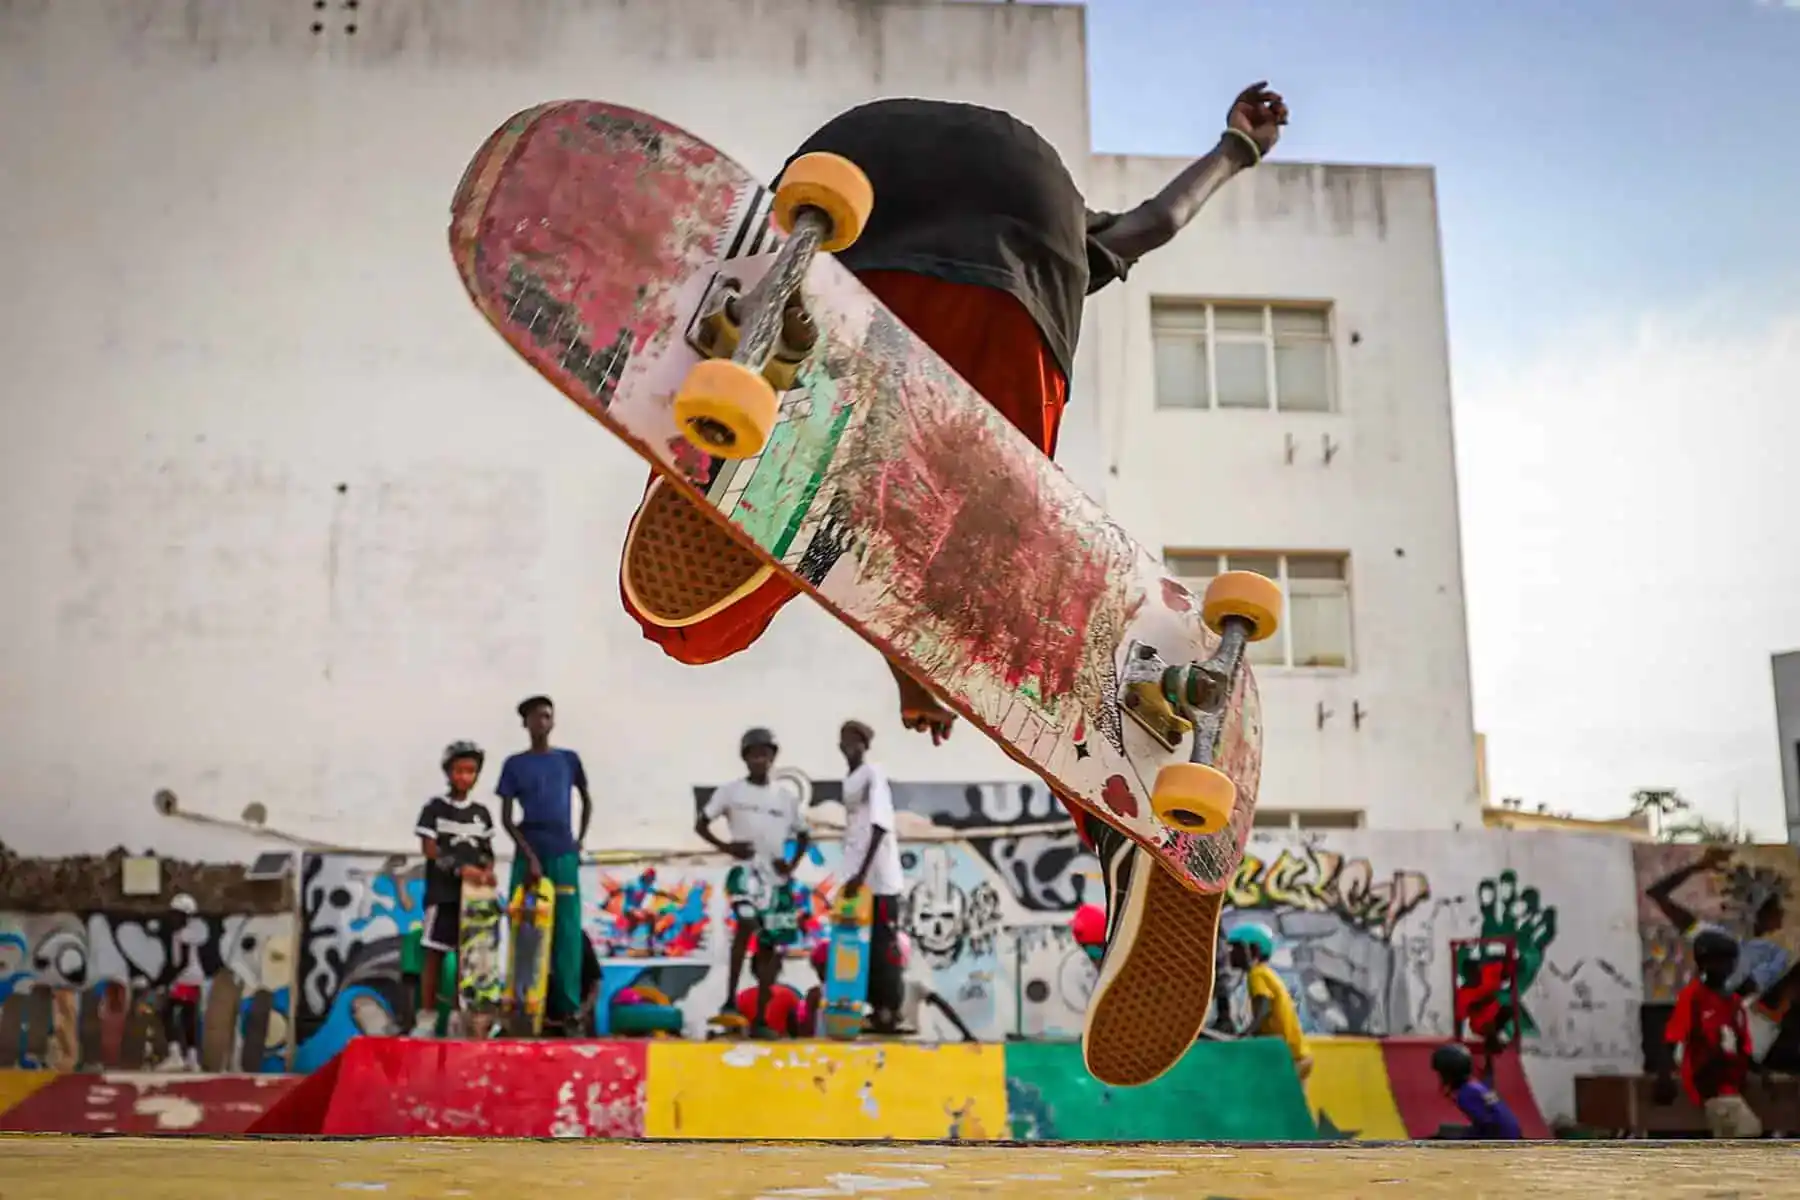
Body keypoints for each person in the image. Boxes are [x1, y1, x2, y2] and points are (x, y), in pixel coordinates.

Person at [616, 84, 1289, 1083]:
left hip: (844, 202)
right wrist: (1237, 145)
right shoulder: (1064, 237)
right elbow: (1155, 223)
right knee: (1019, 614)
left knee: (690, 611)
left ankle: (757, 384)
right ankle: (1140, 811)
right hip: (1030, 256)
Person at [695, 727, 810, 1033]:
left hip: (775, 879)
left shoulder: (786, 798)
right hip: (745, 872)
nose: (760, 759)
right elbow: (702, 823)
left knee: (769, 945)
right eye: (754, 754)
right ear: (745, 758)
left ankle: (761, 1014)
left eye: (765, 753)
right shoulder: (731, 792)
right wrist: (726, 847)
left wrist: (791, 864)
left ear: (773, 757)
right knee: (746, 922)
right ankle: (730, 998)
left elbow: (804, 835)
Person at [496, 696, 593, 1036]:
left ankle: (568, 1014)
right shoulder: (514, 765)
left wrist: (579, 842)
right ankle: (521, 1012)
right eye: (536, 717)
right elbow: (506, 819)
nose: (542, 722)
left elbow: (587, 799)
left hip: (563, 854)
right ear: (525, 723)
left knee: (567, 933)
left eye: (547, 716)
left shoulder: (568, 760)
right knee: (524, 930)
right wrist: (531, 857)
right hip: (528, 854)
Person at [412, 740, 498, 1036]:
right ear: (448, 773)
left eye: (470, 771)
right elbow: (430, 848)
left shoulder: (482, 814)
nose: (464, 777)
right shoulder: (434, 809)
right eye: (459, 771)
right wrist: (460, 869)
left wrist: (487, 872)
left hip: (472, 901)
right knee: (434, 955)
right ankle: (426, 1016)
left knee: (468, 959)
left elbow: (487, 851)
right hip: (442, 894)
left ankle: (461, 1019)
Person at [1656, 928, 1763, 1138]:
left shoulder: (1733, 1003)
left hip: (1733, 1083)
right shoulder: (1693, 996)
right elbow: (1672, 1037)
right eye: (1716, 961)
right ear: (1703, 963)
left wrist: (1759, 1069)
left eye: (1728, 961)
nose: (1723, 967)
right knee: (1748, 1131)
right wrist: (1664, 1075)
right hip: (1708, 1085)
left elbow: (1742, 1045)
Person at [1645, 847, 1789, 1000]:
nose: (1781, 919)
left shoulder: (1765, 950)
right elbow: (1657, 893)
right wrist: (1697, 867)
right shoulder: (1718, 937)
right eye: (1777, 911)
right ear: (1762, 912)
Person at [837, 720, 906, 1034]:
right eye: (844, 741)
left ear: (864, 745)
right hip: (859, 881)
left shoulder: (873, 774)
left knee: (883, 947)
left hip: (879, 881)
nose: (849, 746)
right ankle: (873, 1010)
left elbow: (880, 825)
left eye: (855, 740)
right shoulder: (850, 780)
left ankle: (889, 1011)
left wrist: (862, 873)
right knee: (861, 947)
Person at [1225, 923, 1312, 1081]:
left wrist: (1244, 1035)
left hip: (1289, 1057)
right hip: (1297, 1055)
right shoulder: (1266, 973)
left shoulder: (1257, 974)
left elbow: (1264, 1010)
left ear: (1254, 951)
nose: (1230, 954)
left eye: (1235, 949)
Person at [1429, 1042, 1523, 1140]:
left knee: (1439, 1139)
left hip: (1501, 1140)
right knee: (1446, 1130)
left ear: (1449, 1072)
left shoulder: (1465, 1094)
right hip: (1510, 1134)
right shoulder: (1476, 1086)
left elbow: (1490, 1126)